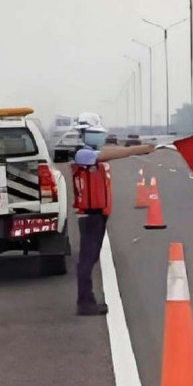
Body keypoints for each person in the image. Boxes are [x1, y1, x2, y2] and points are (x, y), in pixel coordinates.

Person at [72, 126, 155, 316]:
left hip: (96, 213)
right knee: (86, 260)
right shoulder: (82, 154)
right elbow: (110, 155)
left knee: (90, 258)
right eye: (96, 132)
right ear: (86, 133)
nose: (101, 136)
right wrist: (139, 149)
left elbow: (109, 153)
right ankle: (85, 302)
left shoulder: (89, 153)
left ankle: (87, 300)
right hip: (90, 214)